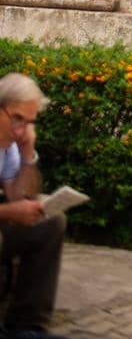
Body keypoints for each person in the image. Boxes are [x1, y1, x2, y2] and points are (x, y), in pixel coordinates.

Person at [0, 73, 67, 339]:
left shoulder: (10, 145)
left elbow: (19, 197)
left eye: (28, 122)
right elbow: (12, 209)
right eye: (16, 118)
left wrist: (28, 153)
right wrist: (10, 212)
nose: (20, 130)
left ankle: (27, 325)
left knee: (51, 222)